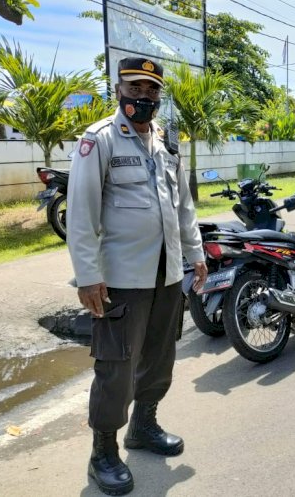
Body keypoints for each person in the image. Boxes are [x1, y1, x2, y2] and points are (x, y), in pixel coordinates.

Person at [67, 57, 208, 496]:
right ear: (118, 90)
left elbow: (183, 205)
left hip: (166, 275)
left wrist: (196, 254)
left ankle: (143, 427)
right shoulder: (99, 141)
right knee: (116, 367)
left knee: (160, 355)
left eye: (151, 90)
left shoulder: (165, 143)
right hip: (122, 279)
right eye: (136, 88)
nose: (143, 96)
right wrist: (88, 277)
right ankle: (102, 452)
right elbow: (81, 212)